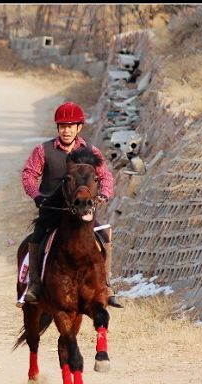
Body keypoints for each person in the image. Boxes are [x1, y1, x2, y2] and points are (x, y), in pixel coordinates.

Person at [21, 101, 123, 308]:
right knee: (38, 236)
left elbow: (105, 177)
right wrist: (37, 196)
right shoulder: (43, 150)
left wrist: (103, 194)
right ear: (58, 128)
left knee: (104, 234)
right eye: (62, 126)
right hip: (52, 210)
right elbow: (29, 175)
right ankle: (33, 285)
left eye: (71, 126)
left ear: (79, 127)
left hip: (82, 210)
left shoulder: (91, 152)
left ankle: (106, 284)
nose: (66, 130)